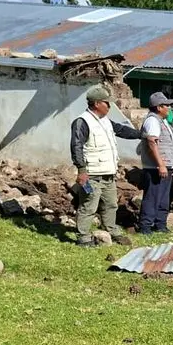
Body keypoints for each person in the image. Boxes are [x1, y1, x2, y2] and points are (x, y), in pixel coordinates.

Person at [69, 84, 147, 247]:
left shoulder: (105, 121)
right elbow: (76, 146)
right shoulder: (83, 122)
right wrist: (81, 170)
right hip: (92, 175)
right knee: (89, 205)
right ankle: (83, 237)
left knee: (111, 204)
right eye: (107, 103)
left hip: (108, 175)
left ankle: (110, 229)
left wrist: (141, 134)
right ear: (97, 103)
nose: (109, 106)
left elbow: (122, 130)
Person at [138, 92, 173, 234]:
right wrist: (160, 164)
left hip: (166, 166)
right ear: (159, 107)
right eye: (167, 106)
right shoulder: (152, 121)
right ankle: (145, 226)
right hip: (155, 167)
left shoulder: (163, 121)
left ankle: (160, 224)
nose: (170, 108)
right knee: (152, 197)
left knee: (163, 197)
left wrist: (172, 165)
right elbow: (152, 142)